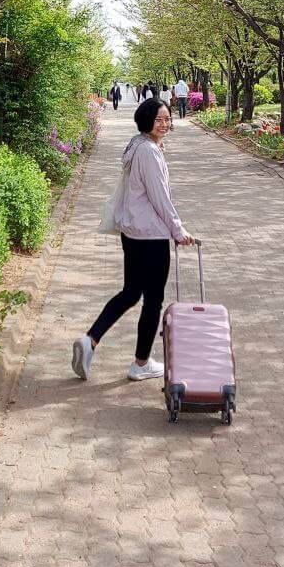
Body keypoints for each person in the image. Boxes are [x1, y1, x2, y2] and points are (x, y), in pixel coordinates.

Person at [72, 98, 194, 382]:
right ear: (145, 120)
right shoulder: (148, 152)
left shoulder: (136, 145)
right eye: (158, 119)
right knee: (153, 300)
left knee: (131, 293)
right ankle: (140, 363)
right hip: (151, 236)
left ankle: (90, 341)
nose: (164, 124)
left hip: (133, 234)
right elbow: (159, 197)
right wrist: (178, 230)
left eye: (167, 119)